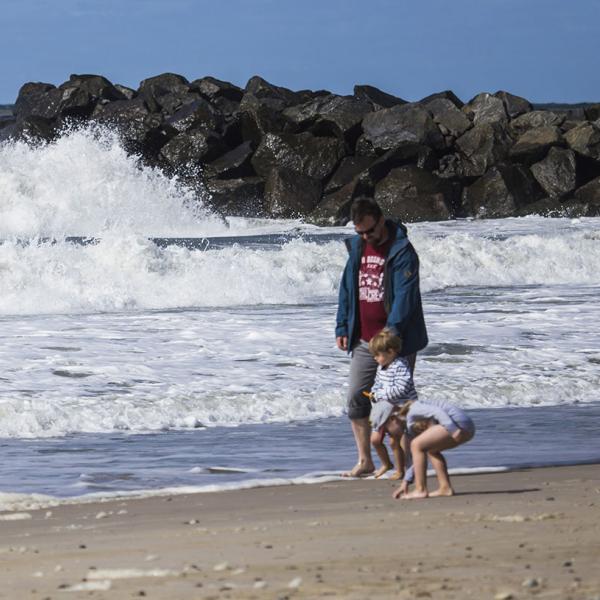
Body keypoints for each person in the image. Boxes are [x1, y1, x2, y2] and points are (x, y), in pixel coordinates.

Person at [335, 197, 428, 477]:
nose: (366, 237)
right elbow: (346, 289)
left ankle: (409, 465)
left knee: (397, 403)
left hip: (395, 342)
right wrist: (342, 326)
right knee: (355, 396)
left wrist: (390, 333)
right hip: (363, 339)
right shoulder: (357, 248)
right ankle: (365, 461)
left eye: (370, 231)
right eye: (360, 232)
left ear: (381, 219)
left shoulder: (402, 251)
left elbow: (404, 298)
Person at [370, 398, 475, 500]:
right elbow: (417, 461)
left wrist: (453, 430)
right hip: (460, 426)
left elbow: (437, 412)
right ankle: (445, 488)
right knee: (430, 450)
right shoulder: (410, 429)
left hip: (458, 423)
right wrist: (406, 482)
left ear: (393, 419)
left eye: (387, 430)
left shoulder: (413, 409)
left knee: (417, 445)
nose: (389, 434)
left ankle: (420, 489)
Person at [366, 329, 418, 479]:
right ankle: (387, 464)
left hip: (403, 408)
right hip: (385, 408)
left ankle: (404, 470)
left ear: (390, 351)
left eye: (377, 355)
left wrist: (380, 394)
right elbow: (376, 385)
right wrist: (374, 396)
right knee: (375, 440)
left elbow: (402, 388)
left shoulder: (400, 365)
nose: (375, 358)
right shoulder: (381, 367)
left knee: (396, 441)